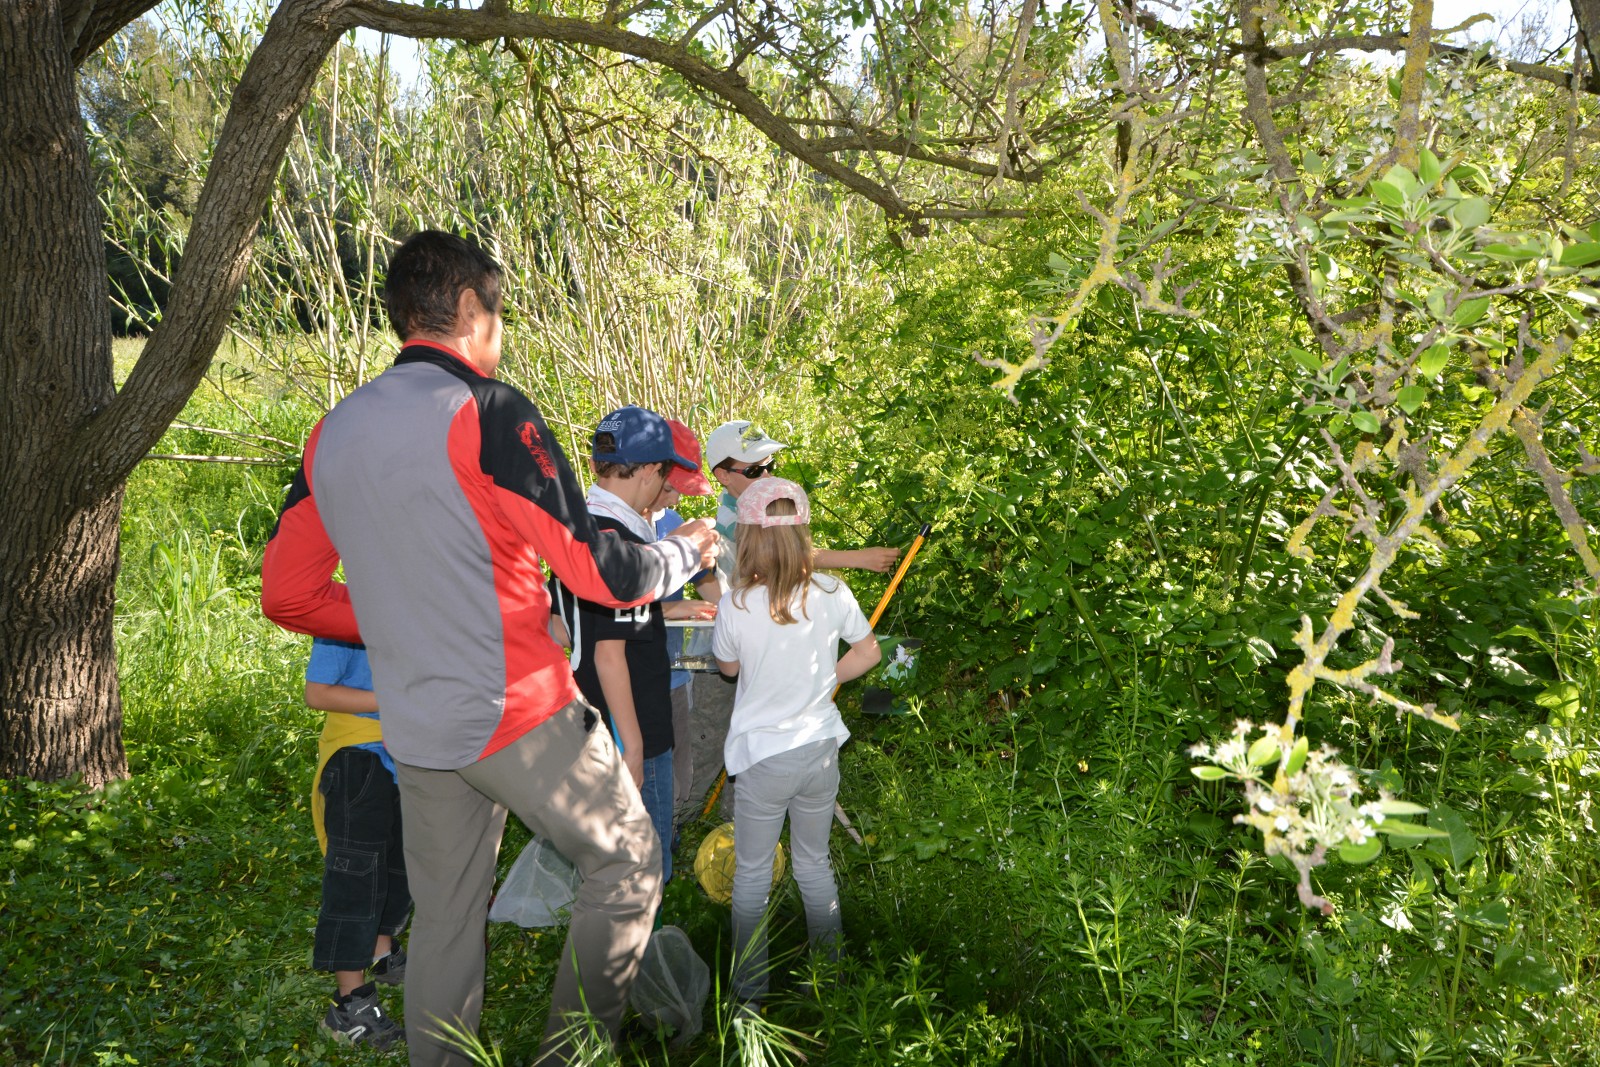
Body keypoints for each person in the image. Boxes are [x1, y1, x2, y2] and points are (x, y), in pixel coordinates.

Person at [261, 230, 718, 1067]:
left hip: (418, 721)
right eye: (498, 314)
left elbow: (287, 594)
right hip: (520, 709)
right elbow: (599, 569)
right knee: (627, 864)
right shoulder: (491, 410)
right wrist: (688, 550)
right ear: (470, 309)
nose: (499, 333)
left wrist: (403, 616)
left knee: (443, 918)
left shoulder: (332, 432)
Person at [710, 478, 882, 1005]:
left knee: (753, 876)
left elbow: (728, 667)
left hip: (764, 759)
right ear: (802, 531)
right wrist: (827, 680)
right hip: (820, 751)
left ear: (751, 539)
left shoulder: (737, 603)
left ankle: (748, 994)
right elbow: (870, 653)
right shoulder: (833, 592)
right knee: (813, 863)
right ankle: (829, 979)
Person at [697, 420, 900, 817]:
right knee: (735, 736)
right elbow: (791, 555)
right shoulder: (737, 518)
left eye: (770, 464)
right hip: (746, 648)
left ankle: (754, 825)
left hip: (765, 646)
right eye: (754, 470)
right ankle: (729, 823)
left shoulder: (759, 501)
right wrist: (856, 559)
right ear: (722, 475)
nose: (768, 474)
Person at [548, 407, 708, 885]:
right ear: (647, 471)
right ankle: (631, 956)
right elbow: (609, 653)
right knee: (643, 872)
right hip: (631, 727)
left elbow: (560, 625)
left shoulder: (580, 525)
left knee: (611, 868)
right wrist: (635, 750)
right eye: (663, 472)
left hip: (591, 721)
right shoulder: (620, 545)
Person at [305, 637, 410, 1051]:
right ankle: (349, 1004)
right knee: (357, 878)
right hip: (358, 757)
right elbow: (318, 693)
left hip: (406, 753)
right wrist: (398, 699)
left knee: (397, 864)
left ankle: (383, 954)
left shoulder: (424, 602)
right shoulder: (344, 616)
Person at [648, 419, 722, 828]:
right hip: (635, 677)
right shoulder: (615, 531)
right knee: (648, 780)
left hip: (675, 674)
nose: (673, 498)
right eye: (671, 487)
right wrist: (671, 610)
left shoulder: (672, 520)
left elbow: (705, 582)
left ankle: (669, 845)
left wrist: (729, 612)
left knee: (678, 773)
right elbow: (607, 612)